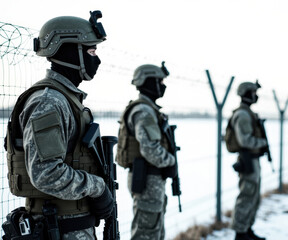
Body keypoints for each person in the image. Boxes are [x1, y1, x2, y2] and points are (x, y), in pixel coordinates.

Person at [4, 11, 113, 239]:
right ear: (70, 52)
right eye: (91, 51)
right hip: (59, 229)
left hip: (72, 227)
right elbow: (46, 173)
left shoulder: (64, 98)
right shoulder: (48, 102)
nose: (97, 59)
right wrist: (97, 187)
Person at [115, 63, 175, 240]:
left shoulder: (148, 109)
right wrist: (171, 161)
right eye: (159, 81)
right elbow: (150, 150)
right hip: (147, 178)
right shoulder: (144, 111)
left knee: (153, 230)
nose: (163, 85)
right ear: (148, 82)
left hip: (150, 178)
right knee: (146, 233)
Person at [227, 81, 268, 240]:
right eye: (253, 92)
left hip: (253, 159)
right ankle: (240, 232)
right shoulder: (243, 114)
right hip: (247, 159)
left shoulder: (248, 113)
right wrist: (262, 143)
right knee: (247, 194)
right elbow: (245, 140)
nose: (255, 95)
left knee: (254, 196)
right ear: (246, 93)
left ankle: (247, 229)